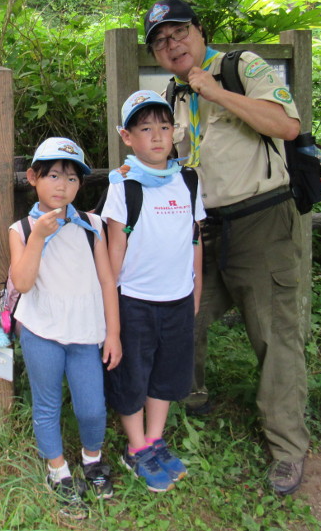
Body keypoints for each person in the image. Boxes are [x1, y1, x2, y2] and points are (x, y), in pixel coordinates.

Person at [142, 0, 309, 495]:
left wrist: (215, 92)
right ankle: (191, 397)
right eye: (160, 41)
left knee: (274, 334)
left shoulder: (242, 68)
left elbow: (287, 125)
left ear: (199, 31)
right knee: (185, 315)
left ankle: (287, 446)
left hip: (261, 219)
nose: (172, 45)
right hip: (203, 226)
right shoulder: (172, 93)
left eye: (178, 32)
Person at [8, 137, 122, 520]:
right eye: (54, 175)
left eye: (72, 178)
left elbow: (107, 280)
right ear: (33, 177)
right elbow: (23, 283)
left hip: (86, 333)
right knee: (47, 404)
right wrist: (39, 236)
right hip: (41, 331)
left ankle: (92, 459)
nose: (63, 185)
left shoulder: (91, 225)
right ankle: (57, 470)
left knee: (92, 407)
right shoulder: (22, 229)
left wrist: (113, 333)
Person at [103, 91, 204, 493]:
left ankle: (155, 439)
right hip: (135, 301)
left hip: (178, 298)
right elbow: (114, 250)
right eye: (146, 128)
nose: (158, 136)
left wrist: (196, 290)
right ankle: (135, 447)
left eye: (164, 126)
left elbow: (195, 239)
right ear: (127, 137)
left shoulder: (188, 180)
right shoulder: (124, 186)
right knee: (132, 375)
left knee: (166, 373)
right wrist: (110, 311)